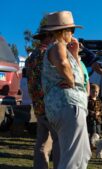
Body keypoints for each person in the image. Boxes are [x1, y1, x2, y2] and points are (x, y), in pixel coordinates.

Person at [41, 11, 91, 169]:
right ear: (65, 31)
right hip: (69, 106)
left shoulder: (63, 49)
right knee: (75, 158)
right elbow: (62, 64)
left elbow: (81, 79)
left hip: (69, 107)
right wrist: (72, 81)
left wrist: (75, 55)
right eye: (72, 30)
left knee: (80, 154)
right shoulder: (58, 46)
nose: (72, 34)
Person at [25, 21, 60, 169]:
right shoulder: (48, 53)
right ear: (49, 37)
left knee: (42, 140)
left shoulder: (31, 56)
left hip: (38, 104)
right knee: (58, 141)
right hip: (50, 103)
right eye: (55, 36)